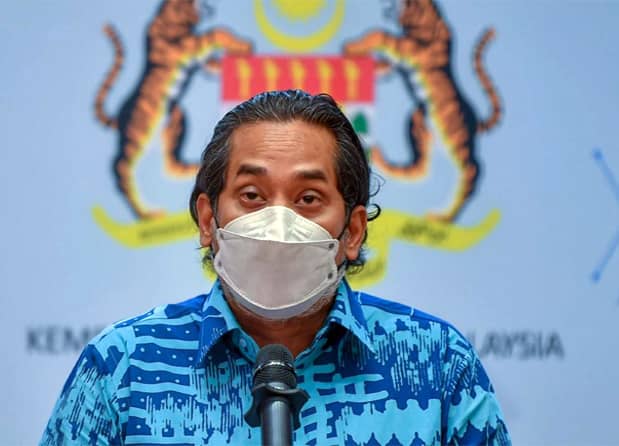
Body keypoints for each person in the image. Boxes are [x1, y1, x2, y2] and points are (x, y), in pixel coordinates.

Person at [40, 90, 510, 445]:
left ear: (352, 232)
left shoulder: (436, 362)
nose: (278, 223)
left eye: (308, 198)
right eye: (252, 196)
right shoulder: (124, 366)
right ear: (208, 220)